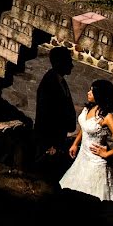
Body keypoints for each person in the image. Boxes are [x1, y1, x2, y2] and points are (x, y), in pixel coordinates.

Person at [59, 78, 113, 204]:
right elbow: (85, 128)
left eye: (92, 91)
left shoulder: (107, 117)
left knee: (91, 199)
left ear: (100, 95)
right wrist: (75, 144)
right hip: (83, 156)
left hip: (97, 162)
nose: (88, 93)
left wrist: (106, 154)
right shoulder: (89, 108)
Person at [33, 47, 76, 180]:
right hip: (50, 140)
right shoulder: (49, 84)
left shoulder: (59, 80)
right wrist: (50, 145)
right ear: (59, 63)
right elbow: (44, 115)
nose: (72, 65)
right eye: (68, 61)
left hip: (58, 138)